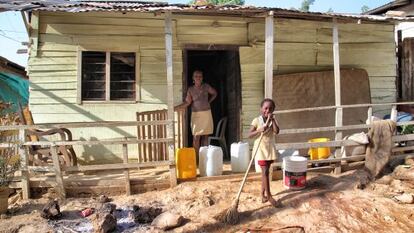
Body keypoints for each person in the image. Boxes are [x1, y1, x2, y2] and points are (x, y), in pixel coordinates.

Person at [175, 70, 217, 157]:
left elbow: (214, 93)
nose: (198, 78)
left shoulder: (206, 86)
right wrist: (176, 107)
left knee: (205, 136)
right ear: (193, 78)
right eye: (196, 76)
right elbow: (187, 102)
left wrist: (209, 101)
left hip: (206, 114)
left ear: (202, 78)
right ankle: (196, 158)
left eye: (200, 76)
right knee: (196, 137)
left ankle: (204, 158)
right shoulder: (190, 89)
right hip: (196, 115)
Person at [248, 98, 281, 207]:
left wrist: (273, 120)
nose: (267, 110)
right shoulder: (257, 121)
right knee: (265, 172)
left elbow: (277, 131)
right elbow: (249, 134)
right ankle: (269, 196)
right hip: (261, 149)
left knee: (265, 173)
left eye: (270, 109)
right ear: (261, 109)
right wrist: (259, 129)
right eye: (265, 108)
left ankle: (262, 195)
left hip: (269, 149)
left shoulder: (272, 120)